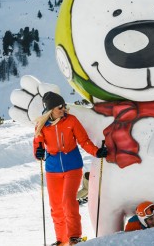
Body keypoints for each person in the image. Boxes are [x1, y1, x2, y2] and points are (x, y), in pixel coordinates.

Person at [34, 91, 108, 246]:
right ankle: (62, 240)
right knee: (56, 207)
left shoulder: (71, 120)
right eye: (60, 107)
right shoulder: (42, 125)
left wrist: (96, 151)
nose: (63, 109)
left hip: (72, 166)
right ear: (51, 109)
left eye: (64, 105)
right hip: (52, 170)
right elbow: (38, 146)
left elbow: (84, 140)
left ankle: (74, 237)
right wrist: (39, 153)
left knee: (68, 201)